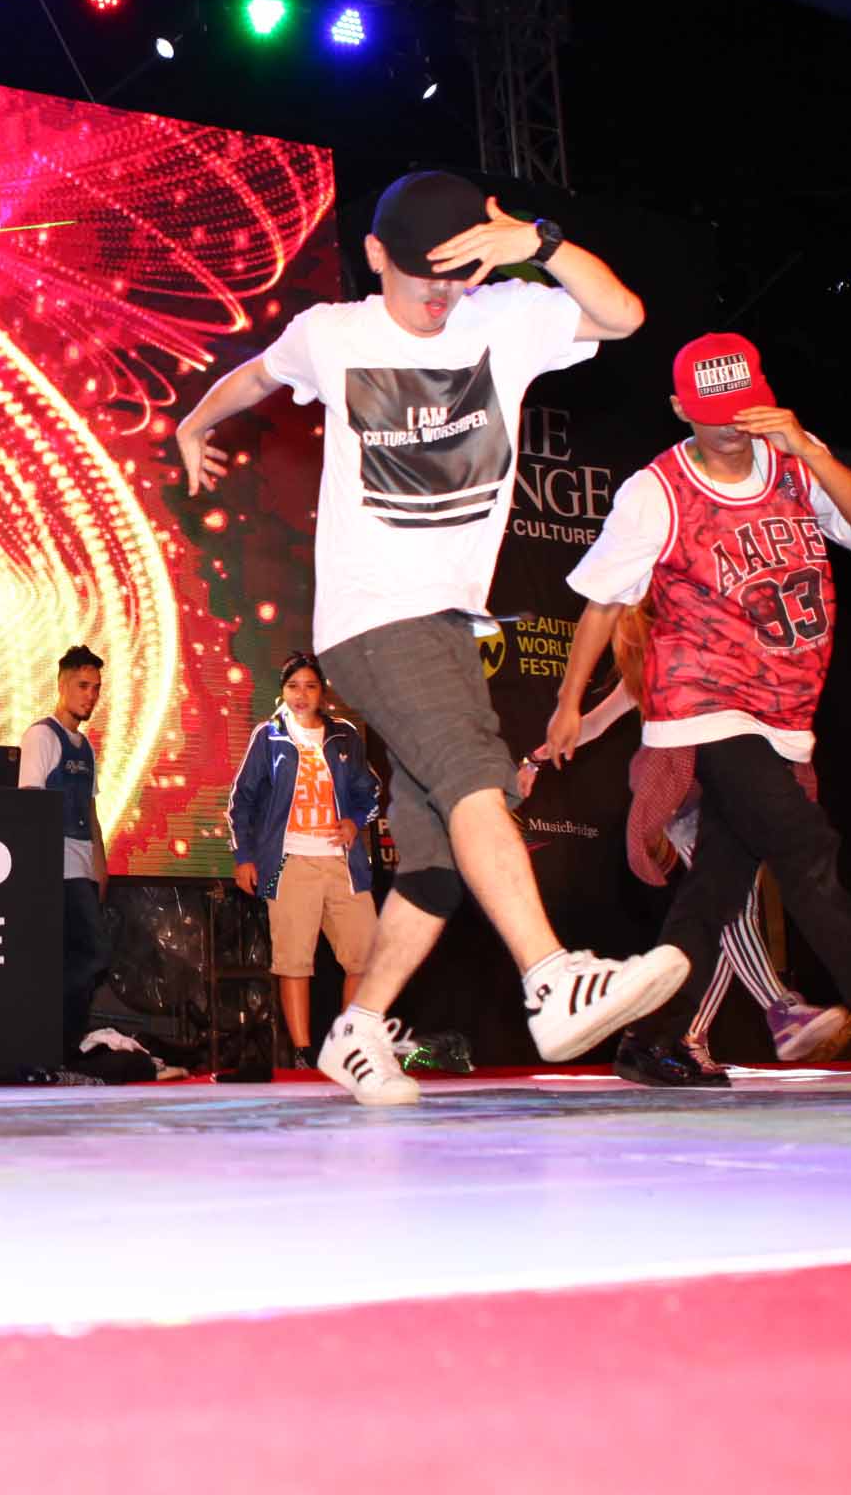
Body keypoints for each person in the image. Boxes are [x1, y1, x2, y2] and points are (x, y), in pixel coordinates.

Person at [174, 170, 684, 1107]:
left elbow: (624, 317)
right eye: (421, 275)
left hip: (449, 621)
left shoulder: (506, 318)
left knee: (441, 861)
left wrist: (540, 244)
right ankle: (551, 979)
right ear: (376, 256)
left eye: (456, 274)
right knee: (476, 776)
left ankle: (358, 1029)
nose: (440, 294)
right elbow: (257, 375)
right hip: (372, 616)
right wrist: (194, 423)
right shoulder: (335, 334)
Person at [544, 332, 851, 1088]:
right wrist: (567, 702)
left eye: (741, 406)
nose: (729, 424)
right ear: (680, 408)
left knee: (717, 886)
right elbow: (603, 603)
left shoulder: (793, 460)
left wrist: (809, 451)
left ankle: (655, 1039)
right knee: (805, 848)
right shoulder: (657, 491)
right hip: (704, 701)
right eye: (712, 411)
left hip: (784, 710)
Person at [524, 604, 851, 1081]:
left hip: (732, 793)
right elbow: (592, 723)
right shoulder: (652, 669)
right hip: (687, 799)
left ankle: (686, 1034)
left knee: (722, 915)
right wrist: (535, 759)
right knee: (734, 908)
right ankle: (780, 1010)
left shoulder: (710, 649)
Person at [226, 653, 382, 1062]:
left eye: (310, 686)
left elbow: (371, 793)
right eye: (293, 686)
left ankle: (350, 1044)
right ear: (282, 691)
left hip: (343, 864)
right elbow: (241, 801)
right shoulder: (269, 736)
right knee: (294, 961)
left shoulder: (345, 736)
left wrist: (353, 821)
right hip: (291, 861)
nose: (301, 695)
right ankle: (302, 1052)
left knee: (366, 956)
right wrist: (244, 857)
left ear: (322, 692)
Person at [20, 645, 115, 1058]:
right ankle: (56, 1043)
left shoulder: (86, 747)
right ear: (62, 685)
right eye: (82, 685)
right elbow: (30, 805)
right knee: (90, 953)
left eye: (95, 688)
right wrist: (38, 871)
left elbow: (90, 812)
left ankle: (63, 1045)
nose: (90, 695)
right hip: (53, 867)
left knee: (81, 956)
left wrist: (100, 865)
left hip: (81, 865)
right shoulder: (41, 736)